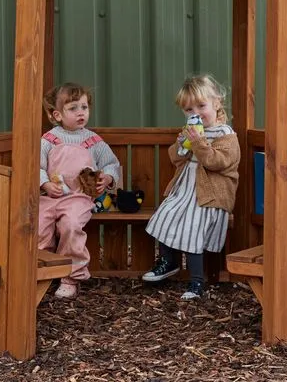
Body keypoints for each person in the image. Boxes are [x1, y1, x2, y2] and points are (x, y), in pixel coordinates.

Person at [142, 75, 240, 300]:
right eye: (188, 109)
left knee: (192, 228)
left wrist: (198, 142)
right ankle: (170, 261)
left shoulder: (226, 134)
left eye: (201, 106)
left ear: (216, 103)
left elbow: (218, 162)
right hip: (185, 191)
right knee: (164, 215)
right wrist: (182, 145)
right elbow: (176, 159)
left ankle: (196, 282)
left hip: (210, 197)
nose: (195, 112)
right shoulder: (191, 131)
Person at [39, 83, 122, 299]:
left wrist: (108, 177)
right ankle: (42, 270)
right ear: (57, 114)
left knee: (71, 225)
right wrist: (45, 184)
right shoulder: (48, 140)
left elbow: (111, 163)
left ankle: (70, 277)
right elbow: (36, 167)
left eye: (84, 107)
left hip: (79, 198)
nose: (81, 113)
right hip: (50, 197)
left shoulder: (93, 141)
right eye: (73, 108)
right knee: (38, 225)